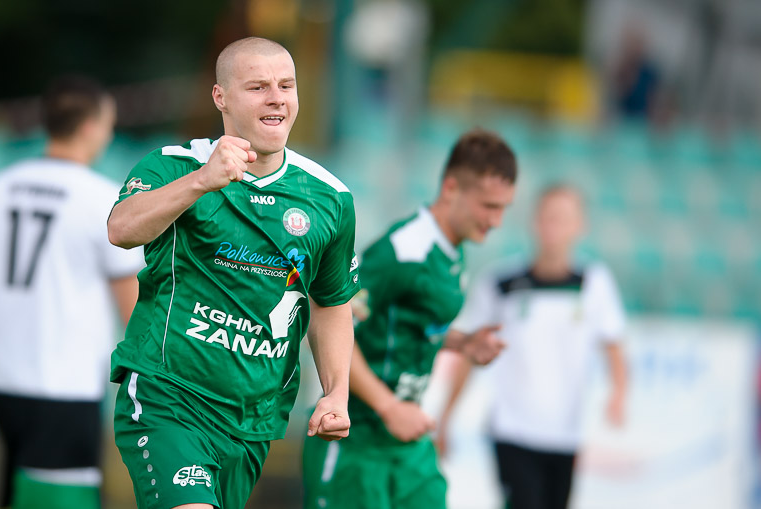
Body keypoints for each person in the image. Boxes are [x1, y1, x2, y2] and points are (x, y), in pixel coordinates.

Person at [106, 37, 360, 509]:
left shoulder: (330, 197)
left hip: (254, 420)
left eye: (286, 85)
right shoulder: (174, 166)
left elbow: (330, 302)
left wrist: (336, 392)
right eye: (258, 87)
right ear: (220, 97)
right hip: (169, 396)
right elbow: (120, 229)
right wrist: (202, 181)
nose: (276, 98)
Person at [302, 128, 518, 509]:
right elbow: (335, 327)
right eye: (489, 206)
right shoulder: (401, 252)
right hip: (355, 440)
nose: (497, 220)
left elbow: (410, 324)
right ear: (451, 188)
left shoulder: (452, 249)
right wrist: (388, 407)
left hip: (406, 444)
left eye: (503, 208)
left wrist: (463, 343)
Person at [0, 76, 143, 509]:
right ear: (91, 126)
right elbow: (133, 309)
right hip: (63, 386)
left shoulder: (2, 185)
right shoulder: (102, 200)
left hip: (2, 379)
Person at [438, 185, 628, 509]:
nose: (553, 225)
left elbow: (614, 344)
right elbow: (470, 352)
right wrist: (446, 416)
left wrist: (619, 393)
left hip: (566, 433)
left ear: (580, 225)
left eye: (563, 218)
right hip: (512, 429)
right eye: (547, 216)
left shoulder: (594, 283)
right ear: (534, 221)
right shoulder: (500, 283)